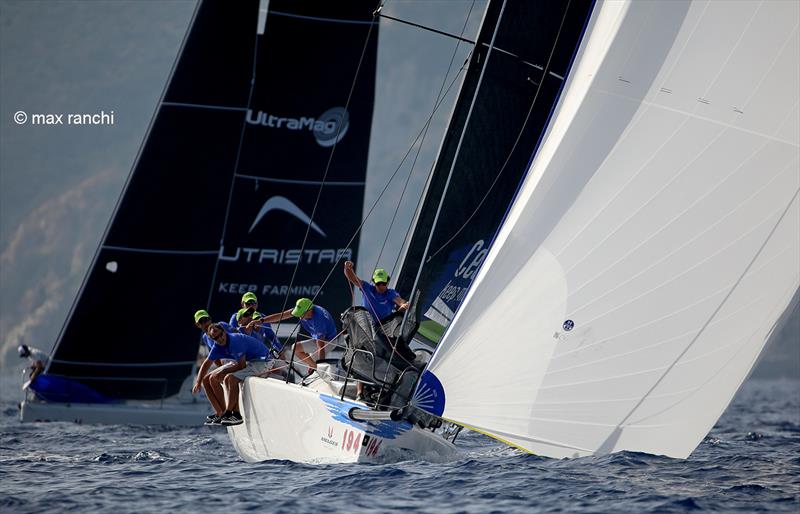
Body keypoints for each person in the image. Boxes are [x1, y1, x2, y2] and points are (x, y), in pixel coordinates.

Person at [199, 323, 271, 426]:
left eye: (220, 335)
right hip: (251, 362)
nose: (220, 339)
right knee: (225, 378)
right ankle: (225, 413)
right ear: (213, 339)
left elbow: (241, 366)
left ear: (224, 332)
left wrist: (223, 372)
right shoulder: (217, 345)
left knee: (230, 378)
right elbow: (207, 363)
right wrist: (198, 382)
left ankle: (232, 414)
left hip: (263, 361)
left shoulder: (235, 341)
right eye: (216, 338)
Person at [261, 298, 337, 374]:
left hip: (328, 342)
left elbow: (321, 347)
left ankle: (321, 372)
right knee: (296, 349)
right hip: (318, 340)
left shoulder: (319, 321)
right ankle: (315, 369)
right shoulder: (303, 308)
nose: (299, 316)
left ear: (309, 311)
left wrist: (321, 367)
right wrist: (261, 321)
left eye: (301, 314)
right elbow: (281, 315)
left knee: (315, 367)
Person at [193, 310, 236, 425]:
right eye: (202, 321)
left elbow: (237, 333)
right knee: (205, 380)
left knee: (212, 378)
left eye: (207, 319)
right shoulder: (205, 337)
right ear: (198, 325)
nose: (205, 322)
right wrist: (221, 368)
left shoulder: (220, 325)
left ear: (210, 319)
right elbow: (214, 358)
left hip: (235, 358)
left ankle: (226, 412)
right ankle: (220, 412)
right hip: (226, 363)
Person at [344, 261, 409, 321]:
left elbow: (401, 302)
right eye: (378, 283)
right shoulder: (367, 288)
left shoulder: (391, 293)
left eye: (383, 283)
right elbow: (352, 278)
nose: (381, 286)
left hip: (385, 327)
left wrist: (404, 305)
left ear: (387, 281)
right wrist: (347, 268)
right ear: (374, 282)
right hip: (366, 326)